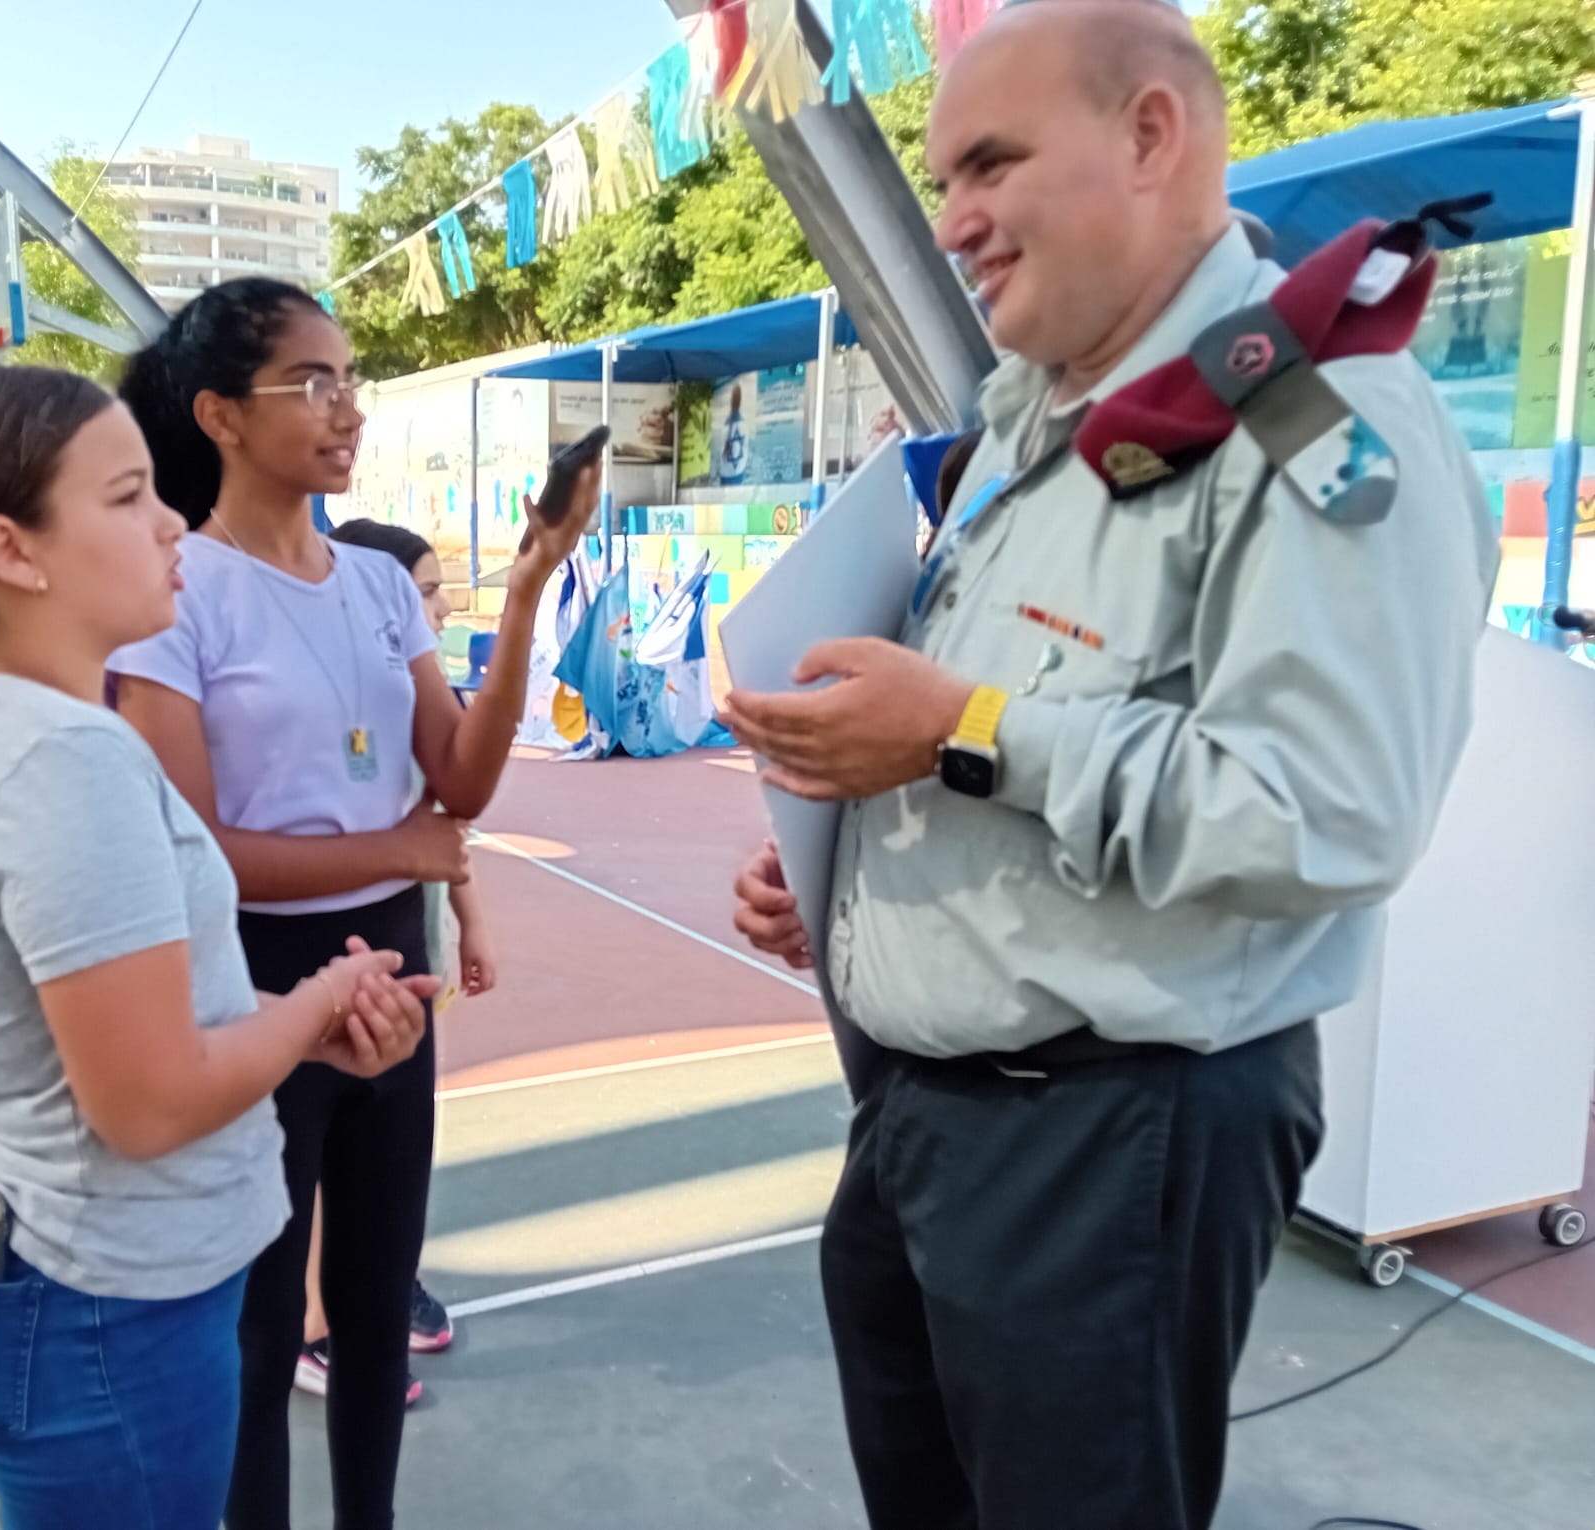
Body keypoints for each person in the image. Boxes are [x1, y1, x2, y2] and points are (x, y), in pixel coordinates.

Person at [723, 4, 1499, 1528]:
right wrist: (858, 856)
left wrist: (953, 732)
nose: (952, 225)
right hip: (929, 1115)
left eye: (990, 166)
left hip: (1104, 1137)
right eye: (943, 179)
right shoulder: (1031, 416)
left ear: (1153, 136)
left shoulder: (1313, 415)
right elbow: (1013, 733)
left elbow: (1326, 811)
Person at [0, 365, 435, 1530]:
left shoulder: (7, 728)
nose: (167, 523)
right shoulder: (63, 763)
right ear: (15, 548)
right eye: (128, 495)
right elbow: (147, 1102)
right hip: (107, 1311)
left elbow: (140, 1010)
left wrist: (300, 1022)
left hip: (67, 1289)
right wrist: (315, 1007)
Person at [107, 278, 594, 1530]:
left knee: (374, 1313)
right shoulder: (178, 595)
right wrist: (402, 847)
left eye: (351, 381)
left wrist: (530, 586)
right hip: (260, 979)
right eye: (312, 383)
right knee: (262, 1332)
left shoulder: (379, 586)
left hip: (397, 969)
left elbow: (465, 782)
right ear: (219, 414)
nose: (347, 409)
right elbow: (197, 851)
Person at [291, 518, 500, 1401]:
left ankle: (378, 1278)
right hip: (344, 943)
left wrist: (469, 918)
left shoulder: (418, 693)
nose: (439, 605)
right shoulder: (331, 693)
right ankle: (312, 1324)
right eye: (423, 590)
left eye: (438, 590)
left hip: (411, 930)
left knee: (383, 1143)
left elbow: (449, 821)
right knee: (322, 1140)